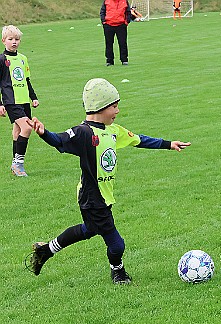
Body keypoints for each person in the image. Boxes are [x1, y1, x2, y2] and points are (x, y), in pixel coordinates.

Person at [26, 78, 191, 285]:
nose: (118, 111)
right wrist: (43, 133)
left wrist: (168, 144)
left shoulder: (113, 131)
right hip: (92, 197)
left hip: (103, 196)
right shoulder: (83, 133)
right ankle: (118, 272)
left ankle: (46, 249)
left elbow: (139, 140)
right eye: (114, 106)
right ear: (100, 107)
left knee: (90, 229)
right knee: (116, 243)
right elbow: (59, 140)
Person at [0, 25, 39, 177]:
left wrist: (33, 97)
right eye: (10, 39)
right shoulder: (2, 60)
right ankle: (19, 164)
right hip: (11, 101)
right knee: (28, 128)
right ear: (4, 41)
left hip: (24, 101)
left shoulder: (23, 59)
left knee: (17, 131)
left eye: (17, 39)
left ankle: (14, 165)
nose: (14, 42)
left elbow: (26, 80)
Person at [100, 0, 132, 66]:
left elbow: (128, 12)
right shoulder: (106, 1)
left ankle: (124, 60)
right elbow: (102, 11)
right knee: (109, 43)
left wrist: (126, 22)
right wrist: (104, 21)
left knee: (123, 43)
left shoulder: (124, 1)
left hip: (121, 25)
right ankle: (109, 61)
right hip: (109, 25)